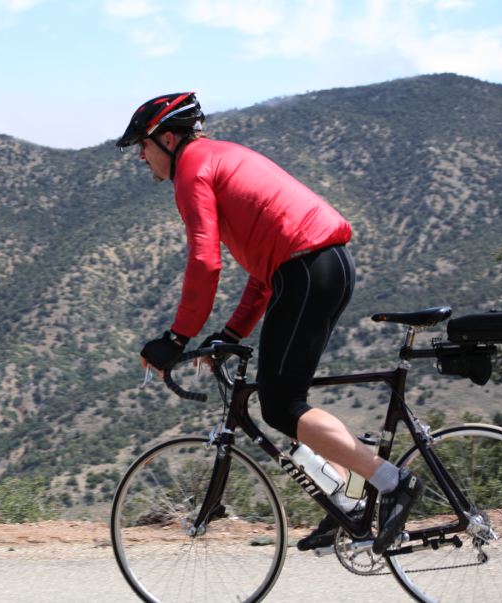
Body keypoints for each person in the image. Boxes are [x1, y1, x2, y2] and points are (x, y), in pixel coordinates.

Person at [116, 92, 422, 554]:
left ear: (169, 137)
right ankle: (350, 501)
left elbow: (204, 262)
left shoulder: (193, 167)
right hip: (321, 266)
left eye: (143, 143)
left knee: (280, 406)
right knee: (285, 401)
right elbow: (264, 275)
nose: (141, 154)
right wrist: (232, 333)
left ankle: (392, 482)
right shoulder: (222, 156)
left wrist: (176, 337)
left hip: (306, 269)